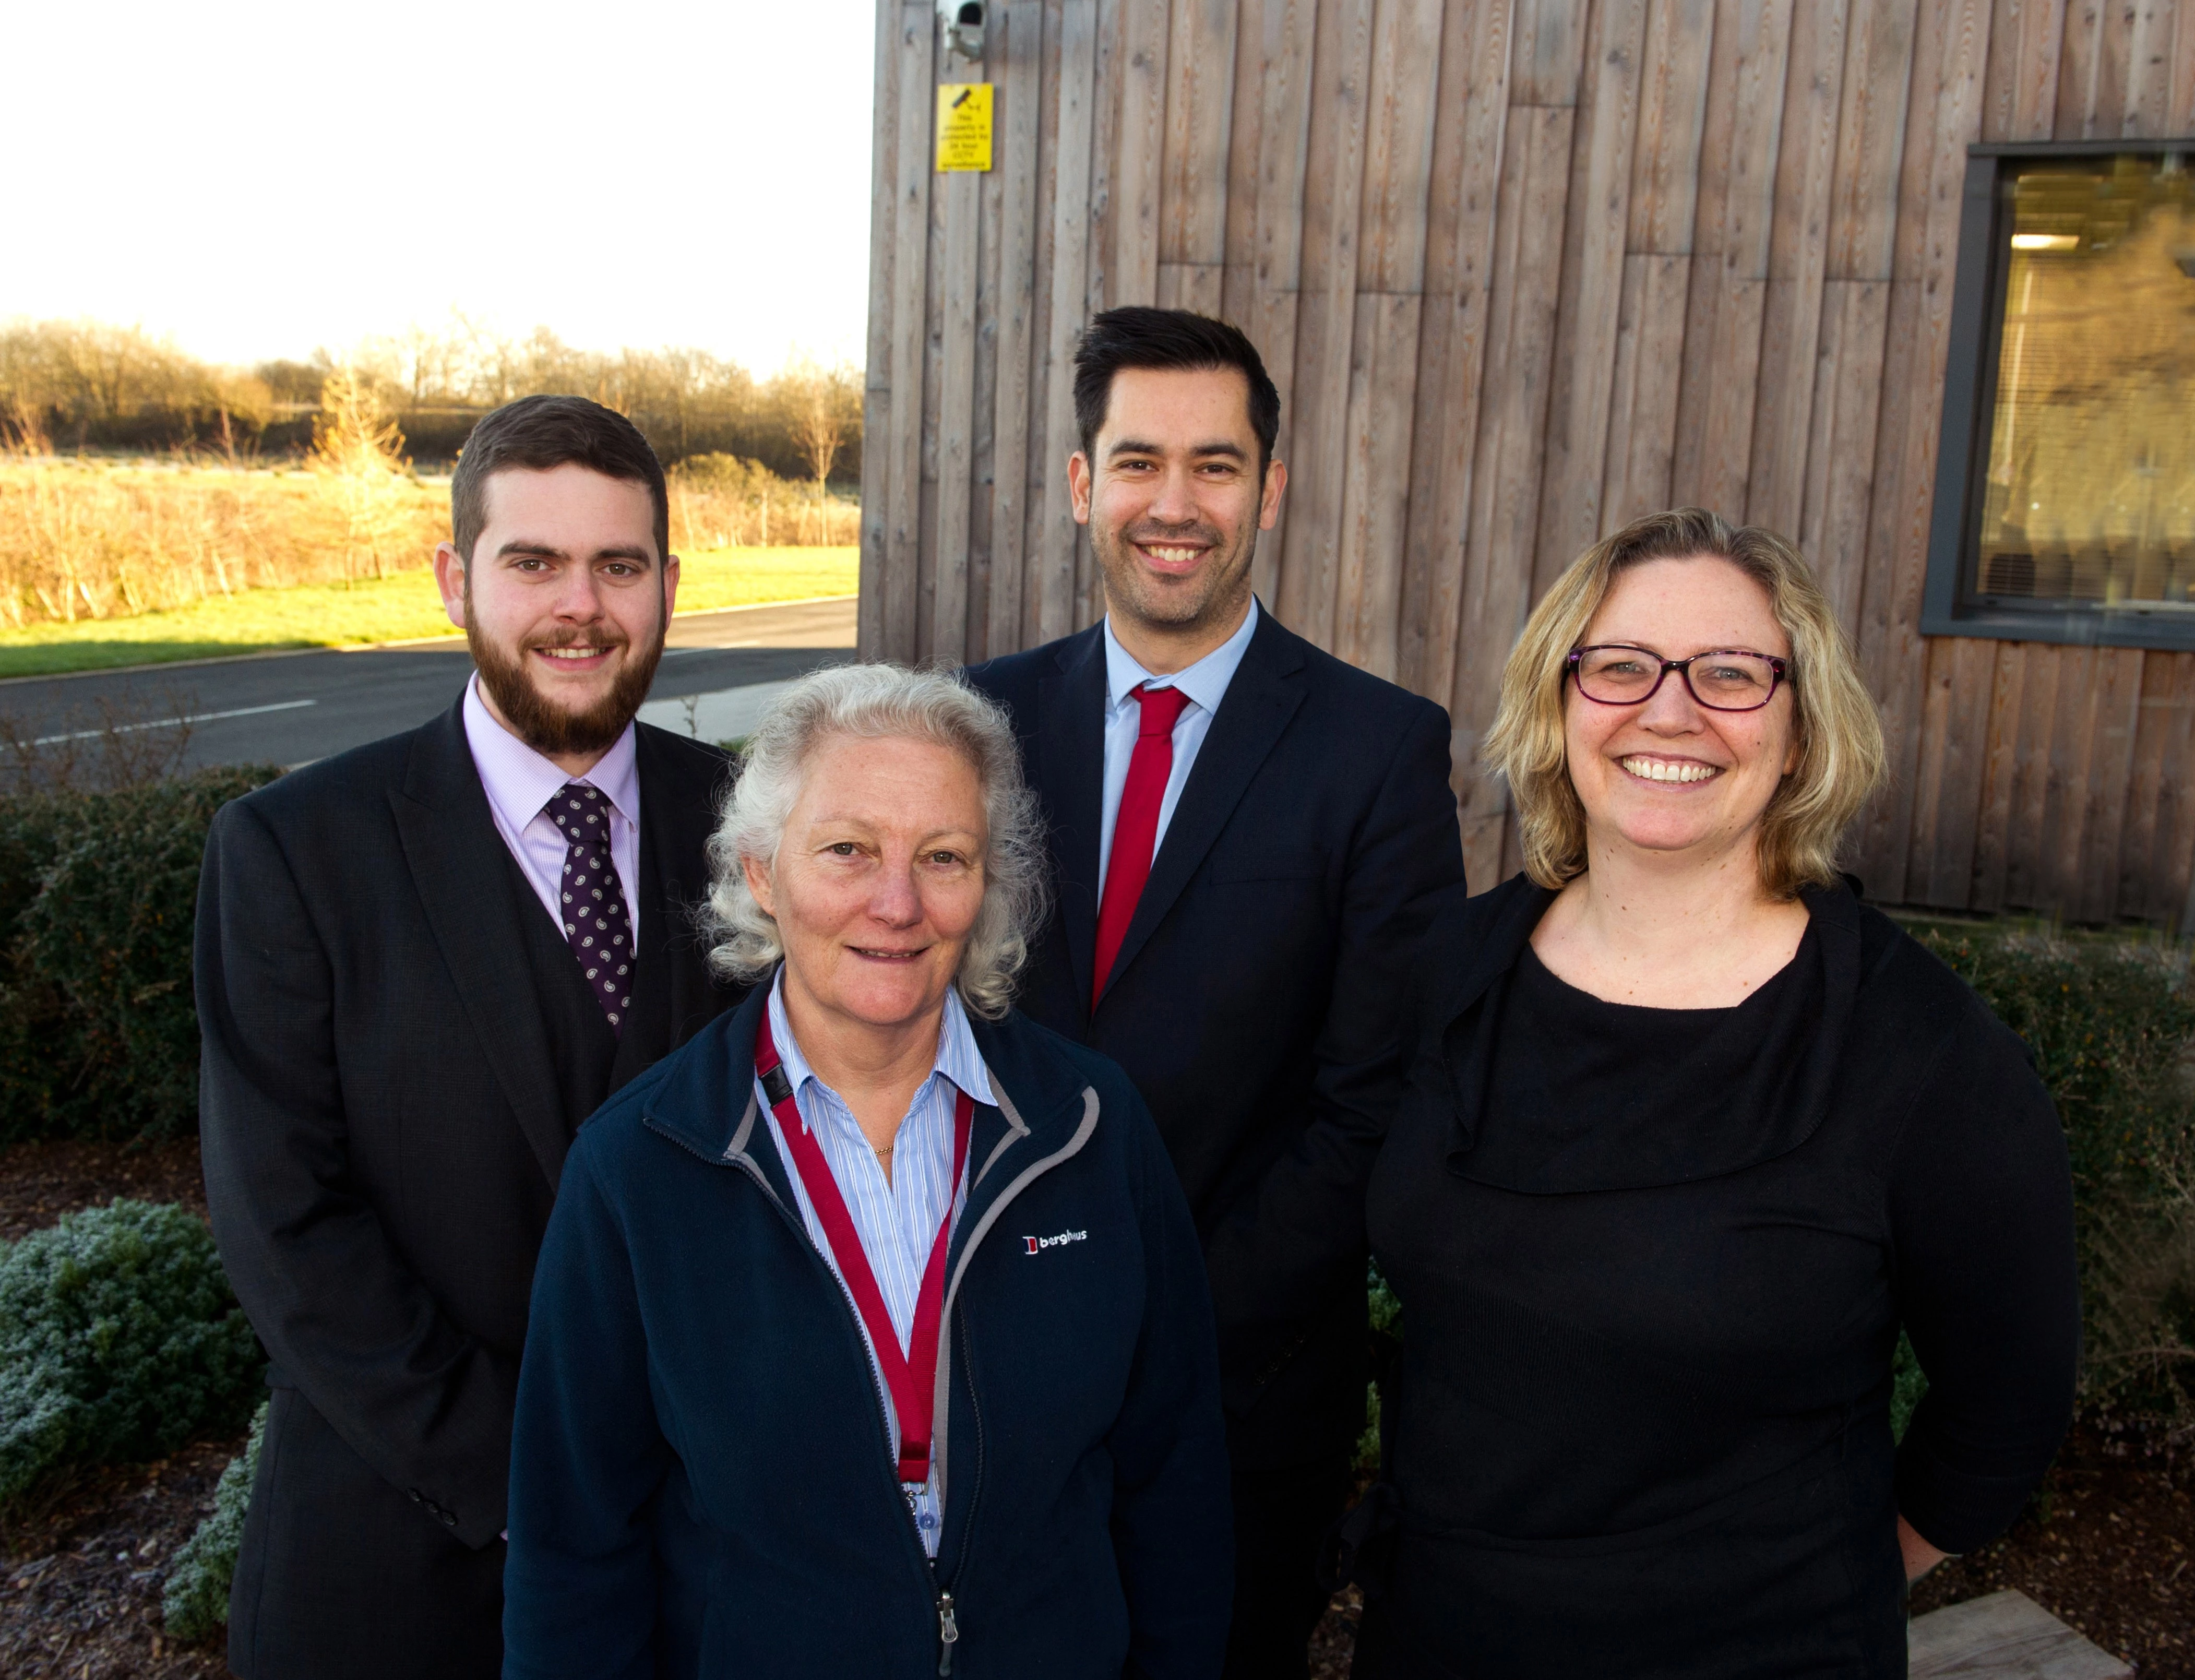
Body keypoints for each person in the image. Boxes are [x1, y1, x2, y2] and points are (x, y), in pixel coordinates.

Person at [1347, 508, 2082, 1677]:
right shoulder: (1451, 974)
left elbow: (2010, 1399)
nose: (1669, 709)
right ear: (1560, 704)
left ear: (1798, 734)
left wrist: (1827, 1577)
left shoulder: (1919, 1051)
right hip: (1441, 1634)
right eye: (1622, 666)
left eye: (1731, 674)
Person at [503, 664, 1234, 1677]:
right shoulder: (640, 1165)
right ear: (762, 870)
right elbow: (573, 1552)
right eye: (847, 849)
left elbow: (1176, 1488)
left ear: (985, 885)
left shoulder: (1090, 1127)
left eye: (942, 855)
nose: (897, 902)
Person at [195, 396, 741, 1680]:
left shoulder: (744, 823)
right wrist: (539, 1481)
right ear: (455, 580)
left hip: (698, 1557)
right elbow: (286, 1225)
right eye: (532, 561)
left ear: (667, 586)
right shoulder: (295, 853)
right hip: (403, 1557)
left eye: (618, 565)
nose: (581, 605)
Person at [964, 306, 1466, 1677]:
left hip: (1238, 1410)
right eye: (1137, 462)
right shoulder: (976, 726)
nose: (1173, 505)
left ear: (1271, 488)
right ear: (1082, 485)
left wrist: (1143, 1318)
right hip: (981, 1388)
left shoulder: (1379, 753)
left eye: (1217, 465)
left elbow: (1375, 1108)